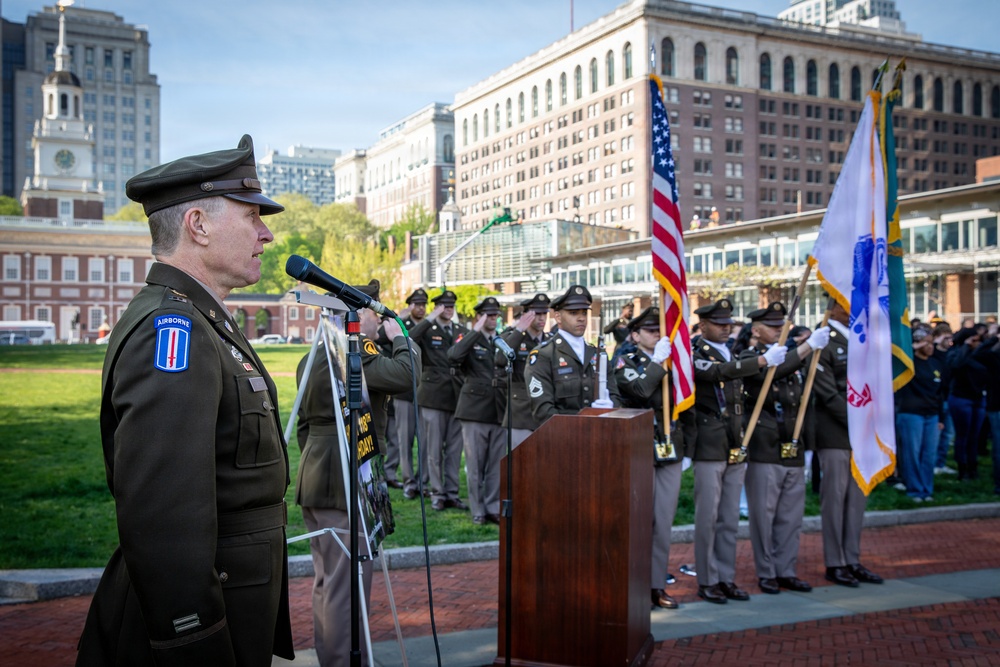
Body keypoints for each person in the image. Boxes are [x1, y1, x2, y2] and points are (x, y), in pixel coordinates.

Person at [76, 135, 294, 666]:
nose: (266, 234)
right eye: (251, 218)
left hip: (238, 596)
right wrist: (193, 639)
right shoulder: (172, 329)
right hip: (205, 621)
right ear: (198, 225)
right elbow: (163, 512)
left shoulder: (202, 319)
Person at [295, 280, 418, 667]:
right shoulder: (355, 351)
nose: (375, 319)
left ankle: (344, 658)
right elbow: (408, 375)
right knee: (346, 589)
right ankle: (343, 662)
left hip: (317, 476)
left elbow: (303, 426)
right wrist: (400, 338)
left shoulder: (310, 354)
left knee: (330, 584)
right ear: (354, 313)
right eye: (371, 310)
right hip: (345, 481)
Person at [689, 298, 786, 605]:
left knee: (729, 517)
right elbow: (718, 373)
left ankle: (726, 578)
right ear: (702, 325)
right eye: (718, 322)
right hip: (709, 444)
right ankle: (707, 580)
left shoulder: (731, 351)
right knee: (708, 517)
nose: (726, 326)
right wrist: (761, 361)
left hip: (735, 442)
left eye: (728, 322)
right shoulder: (695, 353)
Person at [739, 302, 830, 595]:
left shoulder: (791, 357)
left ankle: (786, 569)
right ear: (756, 330)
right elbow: (769, 376)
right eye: (774, 326)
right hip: (765, 446)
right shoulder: (750, 357)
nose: (781, 330)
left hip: (793, 444)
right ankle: (767, 572)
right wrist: (804, 349)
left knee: (791, 516)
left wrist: (809, 445)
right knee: (764, 516)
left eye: (783, 325)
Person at [613, 306, 691, 610]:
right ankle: (633, 586)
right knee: (638, 521)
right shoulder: (624, 360)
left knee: (663, 522)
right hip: (640, 449)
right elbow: (640, 390)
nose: (658, 334)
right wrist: (657, 360)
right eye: (650, 330)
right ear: (634, 335)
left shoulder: (676, 359)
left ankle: (656, 584)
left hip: (670, 448)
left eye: (660, 330)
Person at [813, 299, 884, 588]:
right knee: (835, 499)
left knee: (856, 500)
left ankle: (852, 559)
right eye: (848, 301)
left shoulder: (862, 338)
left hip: (863, 434)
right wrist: (859, 422)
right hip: (836, 433)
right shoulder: (823, 340)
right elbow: (828, 395)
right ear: (836, 306)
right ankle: (835, 562)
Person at [524, 284, 622, 423]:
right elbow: (543, 411)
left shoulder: (597, 354)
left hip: (599, 434)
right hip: (563, 438)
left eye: (584, 312)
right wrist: (580, 426)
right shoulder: (544, 355)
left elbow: (615, 395)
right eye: (573, 313)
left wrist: (610, 406)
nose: (581, 318)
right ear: (558, 317)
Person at [410, 290, 470, 512]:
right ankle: (437, 493)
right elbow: (410, 337)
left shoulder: (461, 331)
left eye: (451, 306)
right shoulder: (428, 330)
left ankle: (452, 493)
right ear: (436, 308)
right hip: (433, 397)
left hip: (457, 397)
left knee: (454, 451)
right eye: (444, 306)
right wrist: (429, 318)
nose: (448, 309)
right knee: (434, 450)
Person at [448, 296, 506, 525]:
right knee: (475, 464)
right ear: (479, 316)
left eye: (495, 315)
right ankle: (477, 510)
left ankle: (492, 507)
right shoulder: (470, 339)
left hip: (498, 410)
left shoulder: (501, 340)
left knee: (494, 465)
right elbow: (453, 356)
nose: (493, 318)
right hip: (474, 411)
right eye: (488, 315)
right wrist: (476, 330)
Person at [895, 326, 948, 502]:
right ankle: (914, 490)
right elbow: (895, 359)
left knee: (928, 455)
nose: (931, 347)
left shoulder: (935, 363)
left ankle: (927, 489)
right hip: (911, 414)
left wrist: (940, 417)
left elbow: (940, 393)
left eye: (932, 343)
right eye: (927, 343)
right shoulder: (908, 363)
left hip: (931, 415)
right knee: (912, 453)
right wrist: (915, 347)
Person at [498, 293, 552, 448]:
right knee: (519, 467)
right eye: (537, 314)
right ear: (525, 315)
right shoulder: (513, 338)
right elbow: (500, 360)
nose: (542, 318)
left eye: (544, 314)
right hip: (520, 414)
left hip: (545, 412)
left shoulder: (550, 341)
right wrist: (519, 329)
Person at [396, 288, 430, 499]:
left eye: (423, 304)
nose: (421, 308)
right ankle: (408, 481)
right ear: (410, 305)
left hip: (425, 393)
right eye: (417, 304)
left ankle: (423, 481)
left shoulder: (431, 327)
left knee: (425, 441)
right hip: (405, 392)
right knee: (405, 440)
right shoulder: (403, 326)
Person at [946, 325, 988, 481]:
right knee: (963, 436)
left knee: (974, 436)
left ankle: (972, 466)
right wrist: (966, 347)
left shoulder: (981, 354)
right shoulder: (956, 353)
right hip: (961, 398)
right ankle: (962, 468)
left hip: (978, 398)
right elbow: (955, 365)